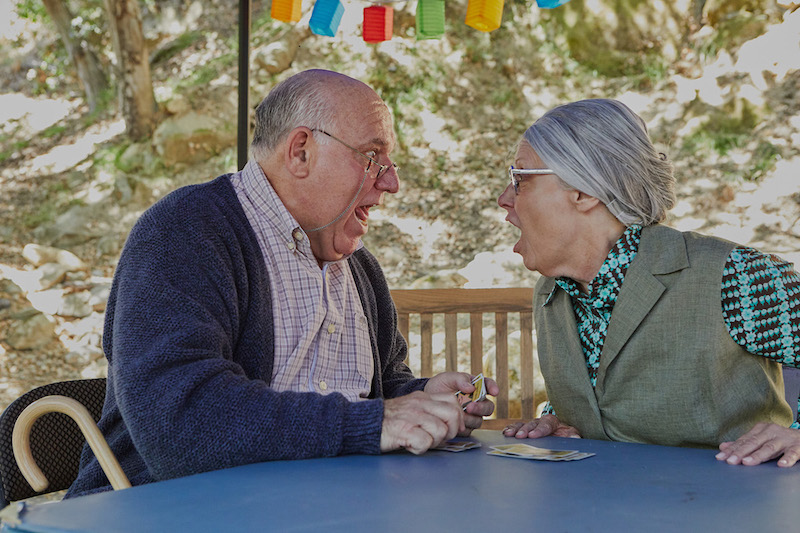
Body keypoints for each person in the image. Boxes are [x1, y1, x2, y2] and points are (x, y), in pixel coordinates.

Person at [67, 69, 498, 497]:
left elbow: (379, 390)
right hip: (164, 513)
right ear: (301, 152)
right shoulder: (186, 232)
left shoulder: (361, 269)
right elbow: (179, 422)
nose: (391, 183)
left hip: (317, 509)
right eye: (372, 157)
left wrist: (422, 398)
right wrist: (376, 421)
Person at [497, 98, 800, 467]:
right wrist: (559, 420)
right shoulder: (552, 292)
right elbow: (608, 395)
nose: (504, 199)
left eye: (520, 180)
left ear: (584, 190)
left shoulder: (733, 275)